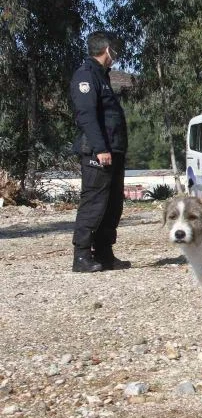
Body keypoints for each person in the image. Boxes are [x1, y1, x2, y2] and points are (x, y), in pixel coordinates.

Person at [70, 31, 130, 273]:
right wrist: (101, 148)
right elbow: (86, 116)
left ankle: (104, 253)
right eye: (114, 49)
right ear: (106, 49)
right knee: (94, 204)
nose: (115, 54)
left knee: (113, 205)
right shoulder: (85, 76)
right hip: (98, 152)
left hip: (113, 150)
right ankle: (82, 256)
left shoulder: (102, 76)